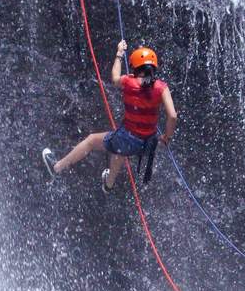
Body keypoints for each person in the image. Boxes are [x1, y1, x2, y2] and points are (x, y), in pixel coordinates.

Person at [42, 40, 177, 193]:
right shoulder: (161, 87)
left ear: (135, 67)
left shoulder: (129, 82)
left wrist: (119, 54)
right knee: (120, 148)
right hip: (148, 145)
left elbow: (114, 78)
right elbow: (172, 116)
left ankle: (57, 167)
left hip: (128, 140)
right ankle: (109, 184)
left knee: (93, 140)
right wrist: (167, 137)